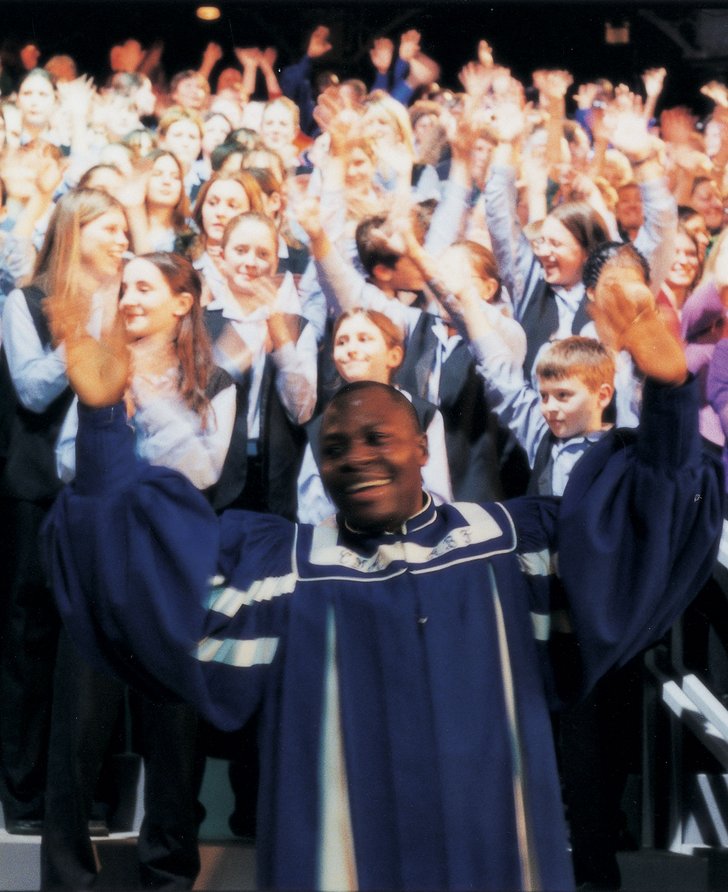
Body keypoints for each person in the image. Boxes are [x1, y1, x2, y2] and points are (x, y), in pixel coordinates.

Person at [43, 242, 721, 891]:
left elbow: (643, 519)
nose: (357, 457)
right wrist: (103, 421)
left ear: (422, 447)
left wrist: (667, 391)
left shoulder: (510, 543)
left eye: (377, 438)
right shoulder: (282, 567)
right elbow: (144, 568)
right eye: (335, 448)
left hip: (489, 851)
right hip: (334, 855)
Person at [43, 251, 235, 890]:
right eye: (123, 289)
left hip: (170, 580)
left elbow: (204, 471)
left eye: (144, 288)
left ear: (183, 303)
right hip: (99, 573)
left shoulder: (216, 382)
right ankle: (67, 878)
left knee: (174, 744)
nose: (128, 299)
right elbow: (68, 463)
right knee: (77, 742)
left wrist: (141, 396)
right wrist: (102, 406)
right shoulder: (97, 365)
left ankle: (168, 878)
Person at [297, 307, 452, 523]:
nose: (351, 349)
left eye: (364, 339)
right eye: (341, 342)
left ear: (394, 355)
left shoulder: (422, 413)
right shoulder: (323, 425)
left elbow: (438, 495)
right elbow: (311, 508)